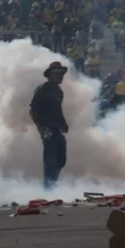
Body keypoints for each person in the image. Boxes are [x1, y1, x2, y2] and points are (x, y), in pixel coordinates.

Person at [30, 61, 70, 190]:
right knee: (50, 158)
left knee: (61, 158)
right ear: (50, 75)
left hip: (56, 128)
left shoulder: (59, 91)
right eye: (58, 73)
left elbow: (58, 110)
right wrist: (41, 128)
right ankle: (48, 187)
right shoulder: (43, 89)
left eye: (62, 73)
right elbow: (33, 111)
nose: (61, 76)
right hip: (47, 127)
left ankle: (53, 182)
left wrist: (63, 123)